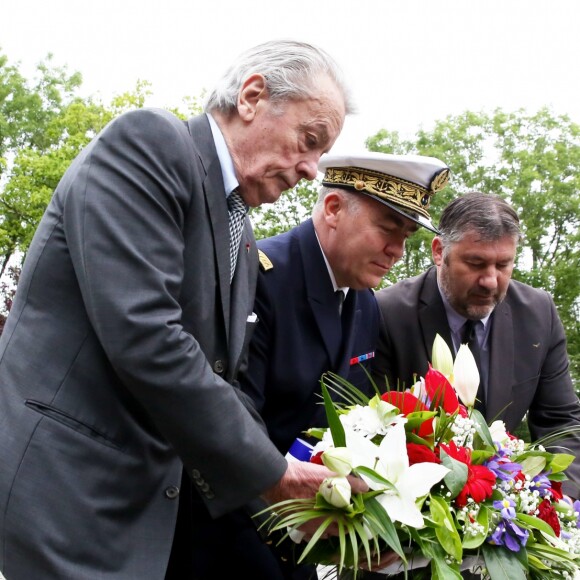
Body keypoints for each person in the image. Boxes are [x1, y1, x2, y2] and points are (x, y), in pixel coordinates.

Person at [0, 39, 364, 580]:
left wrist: (298, 504)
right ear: (252, 97)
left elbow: (227, 383)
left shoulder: (240, 231)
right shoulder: (151, 142)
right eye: (308, 141)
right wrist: (274, 474)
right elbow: (147, 336)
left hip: (133, 515)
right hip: (61, 497)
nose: (313, 169)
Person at [189, 152, 451, 579]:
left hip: (304, 544)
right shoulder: (258, 280)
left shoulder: (364, 304)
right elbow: (228, 430)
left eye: (406, 237)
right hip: (227, 542)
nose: (398, 252)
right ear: (333, 210)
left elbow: (345, 430)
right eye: (387, 229)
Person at [372, 191, 580, 501]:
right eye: (476, 263)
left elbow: (561, 422)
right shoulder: (386, 313)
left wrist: (560, 503)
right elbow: (374, 427)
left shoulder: (539, 314)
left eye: (503, 265)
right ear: (439, 251)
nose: (491, 281)